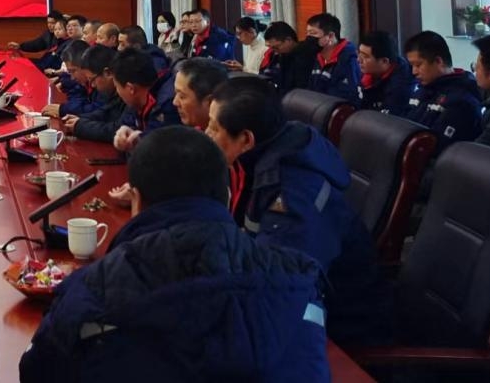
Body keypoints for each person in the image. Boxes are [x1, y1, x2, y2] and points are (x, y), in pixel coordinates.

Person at [19, 127, 330, 383]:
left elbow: (36, 372)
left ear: (136, 200)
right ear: (227, 196)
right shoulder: (299, 280)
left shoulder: (93, 290)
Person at [207, 76, 390, 345]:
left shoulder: (291, 196)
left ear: (246, 139)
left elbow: (282, 290)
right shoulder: (263, 155)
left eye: (214, 128)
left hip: (338, 330)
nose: (206, 135)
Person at [403, 30, 482, 155]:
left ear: (439, 61)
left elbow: (437, 148)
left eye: (418, 65)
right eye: (412, 65)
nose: (414, 72)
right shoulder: (422, 90)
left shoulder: (462, 100)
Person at [110, 48, 178, 154]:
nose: (117, 92)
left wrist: (135, 143)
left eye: (117, 87)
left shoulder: (168, 104)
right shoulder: (136, 101)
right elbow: (126, 127)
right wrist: (123, 136)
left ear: (130, 88)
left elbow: (154, 151)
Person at [63, 46, 124, 144]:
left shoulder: (126, 92)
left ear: (107, 73)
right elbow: (105, 113)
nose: (92, 85)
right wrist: (80, 120)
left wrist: (81, 126)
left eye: (92, 79)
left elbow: (117, 129)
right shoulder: (111, 91)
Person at [356, 31, 414, 117]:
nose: (359, 60)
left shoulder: (401, 86)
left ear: (384, 61)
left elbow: (388, 119)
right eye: (359, 54)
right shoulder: (367, 72)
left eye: (365, 57)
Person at [304, 13, 360, 103]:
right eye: (307, 33)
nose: (309, 37)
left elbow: (348, 95)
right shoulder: (318, 57)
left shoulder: (348, 59)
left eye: (313, 33)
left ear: (330, 36)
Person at [172, 58, 229, 129]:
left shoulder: (225, 135)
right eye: (175, 93)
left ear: (210, 102)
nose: (175, 102)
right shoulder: (197, 130)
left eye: (182, 96)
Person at [261, 22, 317, 93]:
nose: (275, 51)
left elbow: (301, 87)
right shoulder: (279, 55)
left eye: (276, 47)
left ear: (288, 40)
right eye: (271, 47)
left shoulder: (306, 56)